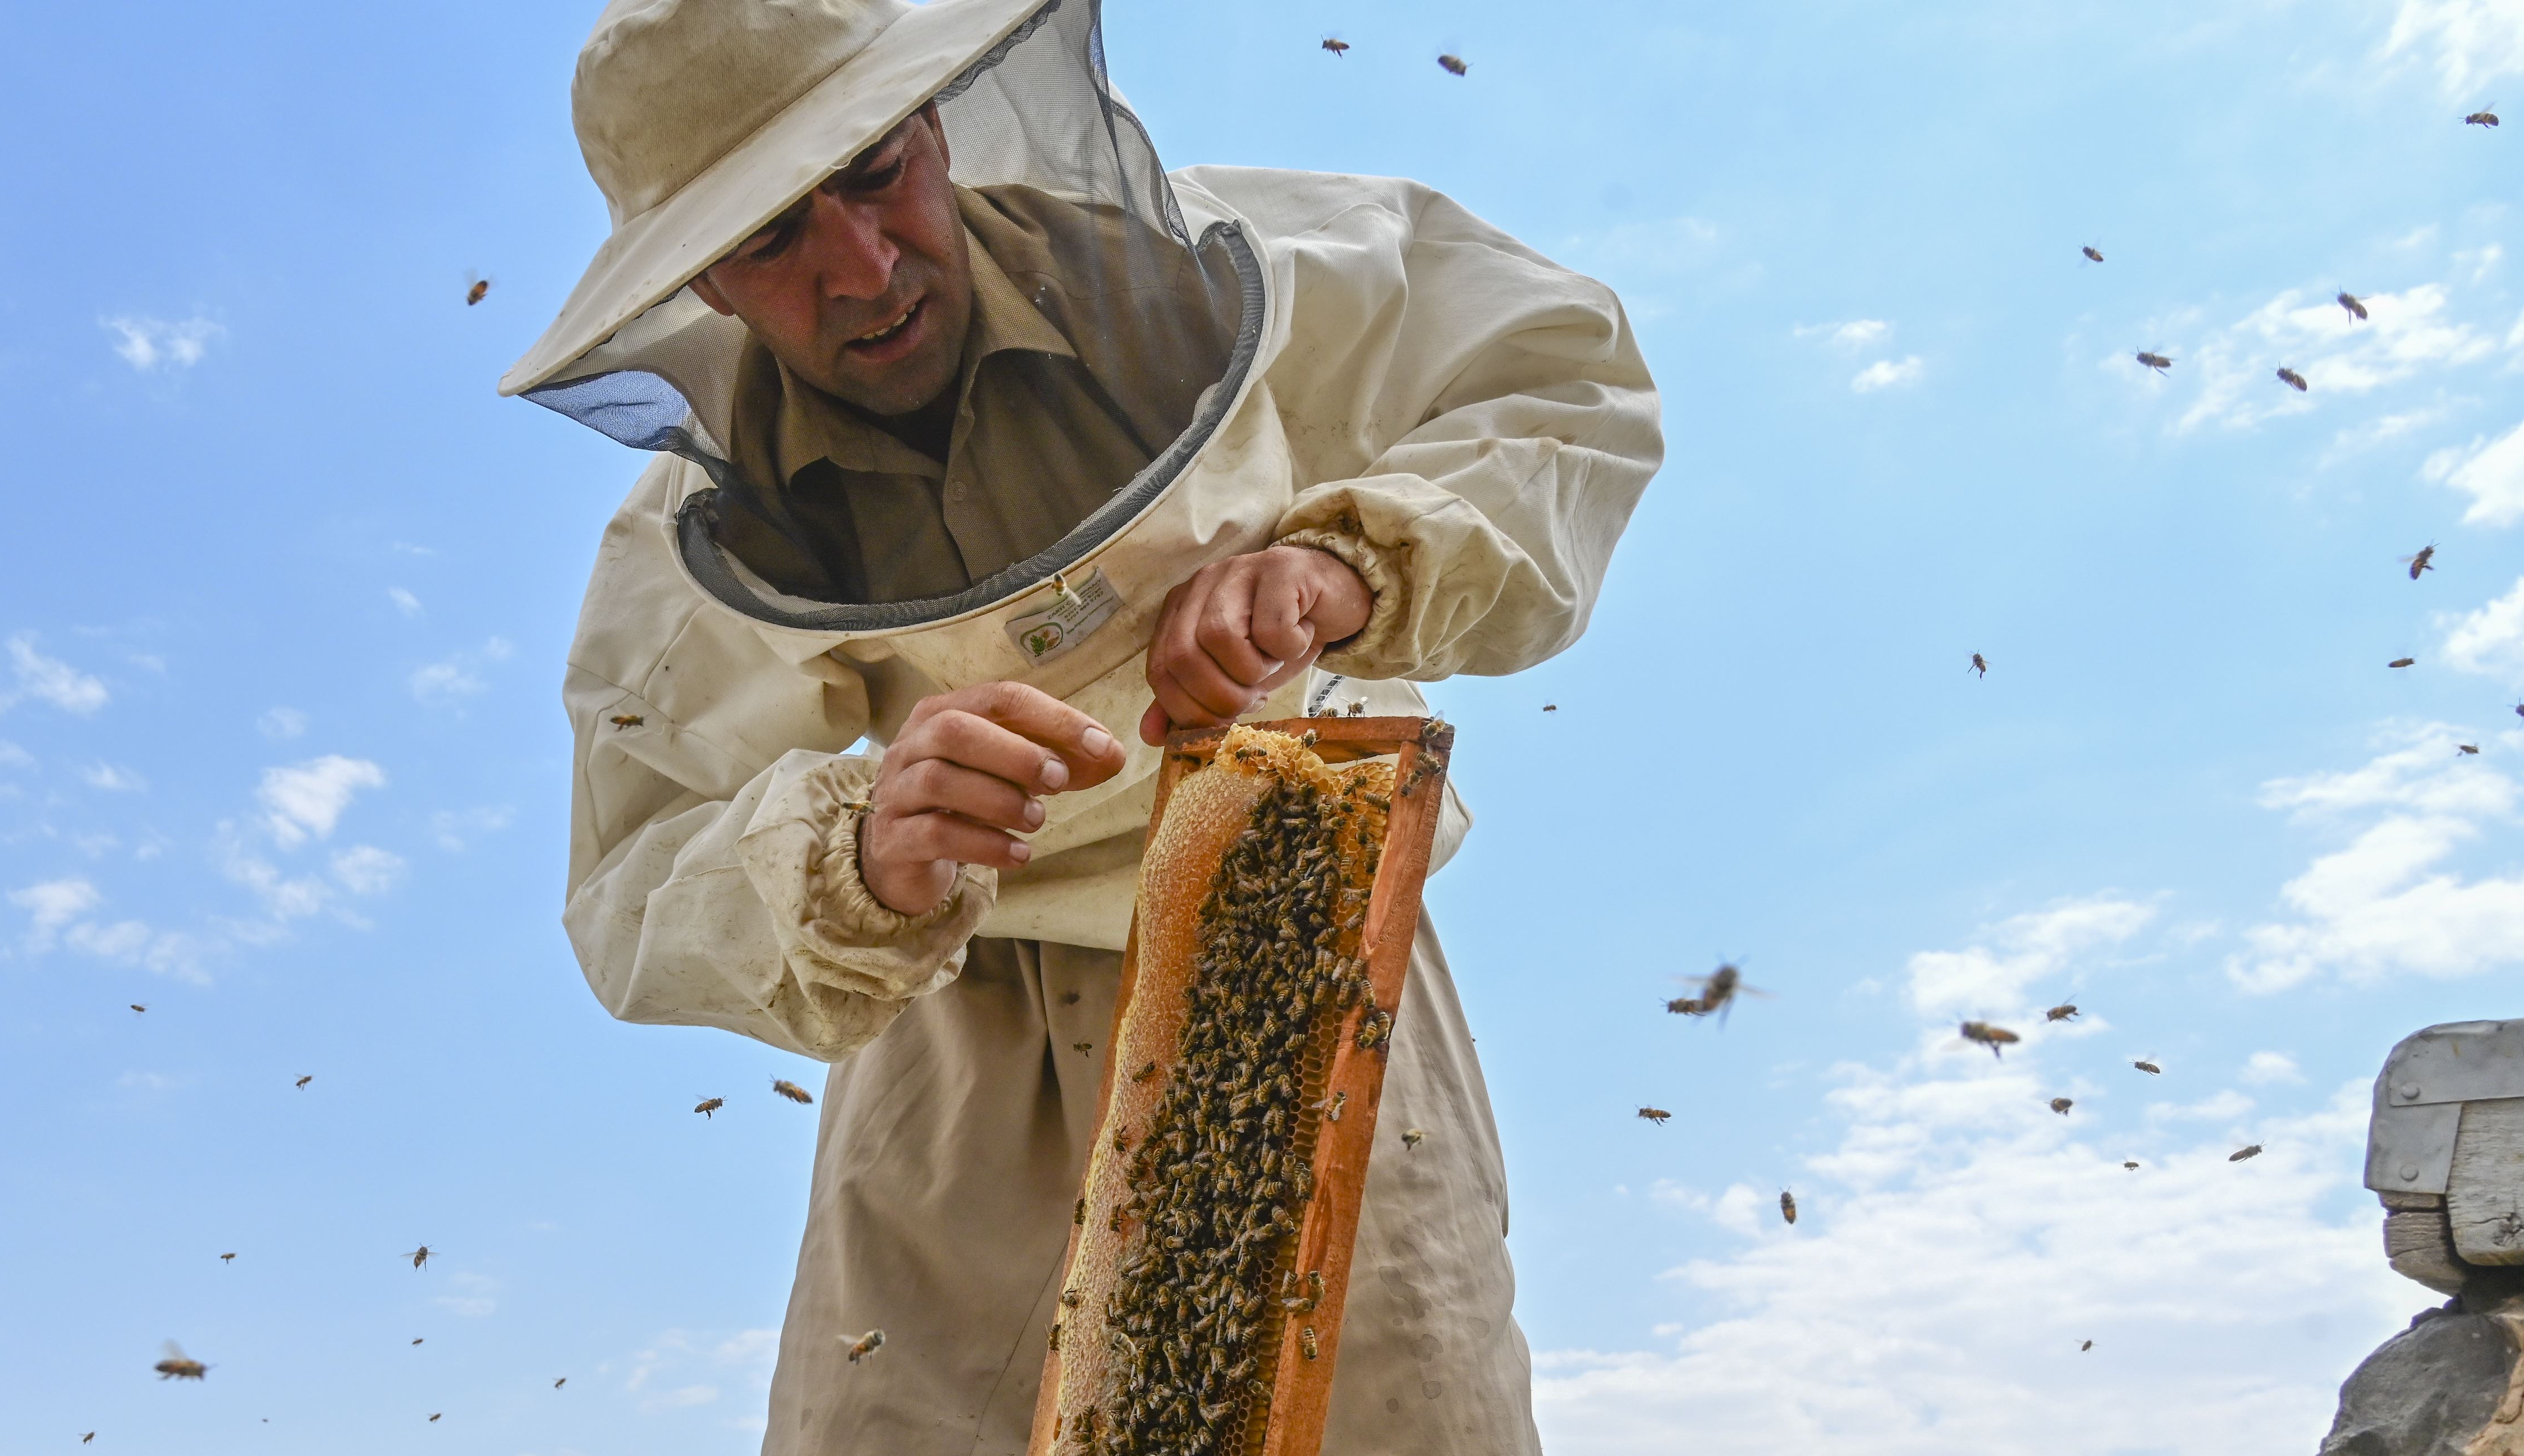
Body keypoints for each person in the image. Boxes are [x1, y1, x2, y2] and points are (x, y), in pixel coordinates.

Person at [502, 1, 1662, 1450]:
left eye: (872, 173)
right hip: (957, 1054)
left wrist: (1340, 565)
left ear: (931, 121)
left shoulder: (1223, 266)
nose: (858, 270)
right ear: (701, 285)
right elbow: (630, 884)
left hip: (1308, 954)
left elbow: (1563, 380)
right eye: (770, 238)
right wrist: (860, 847)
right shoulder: (686, 550)